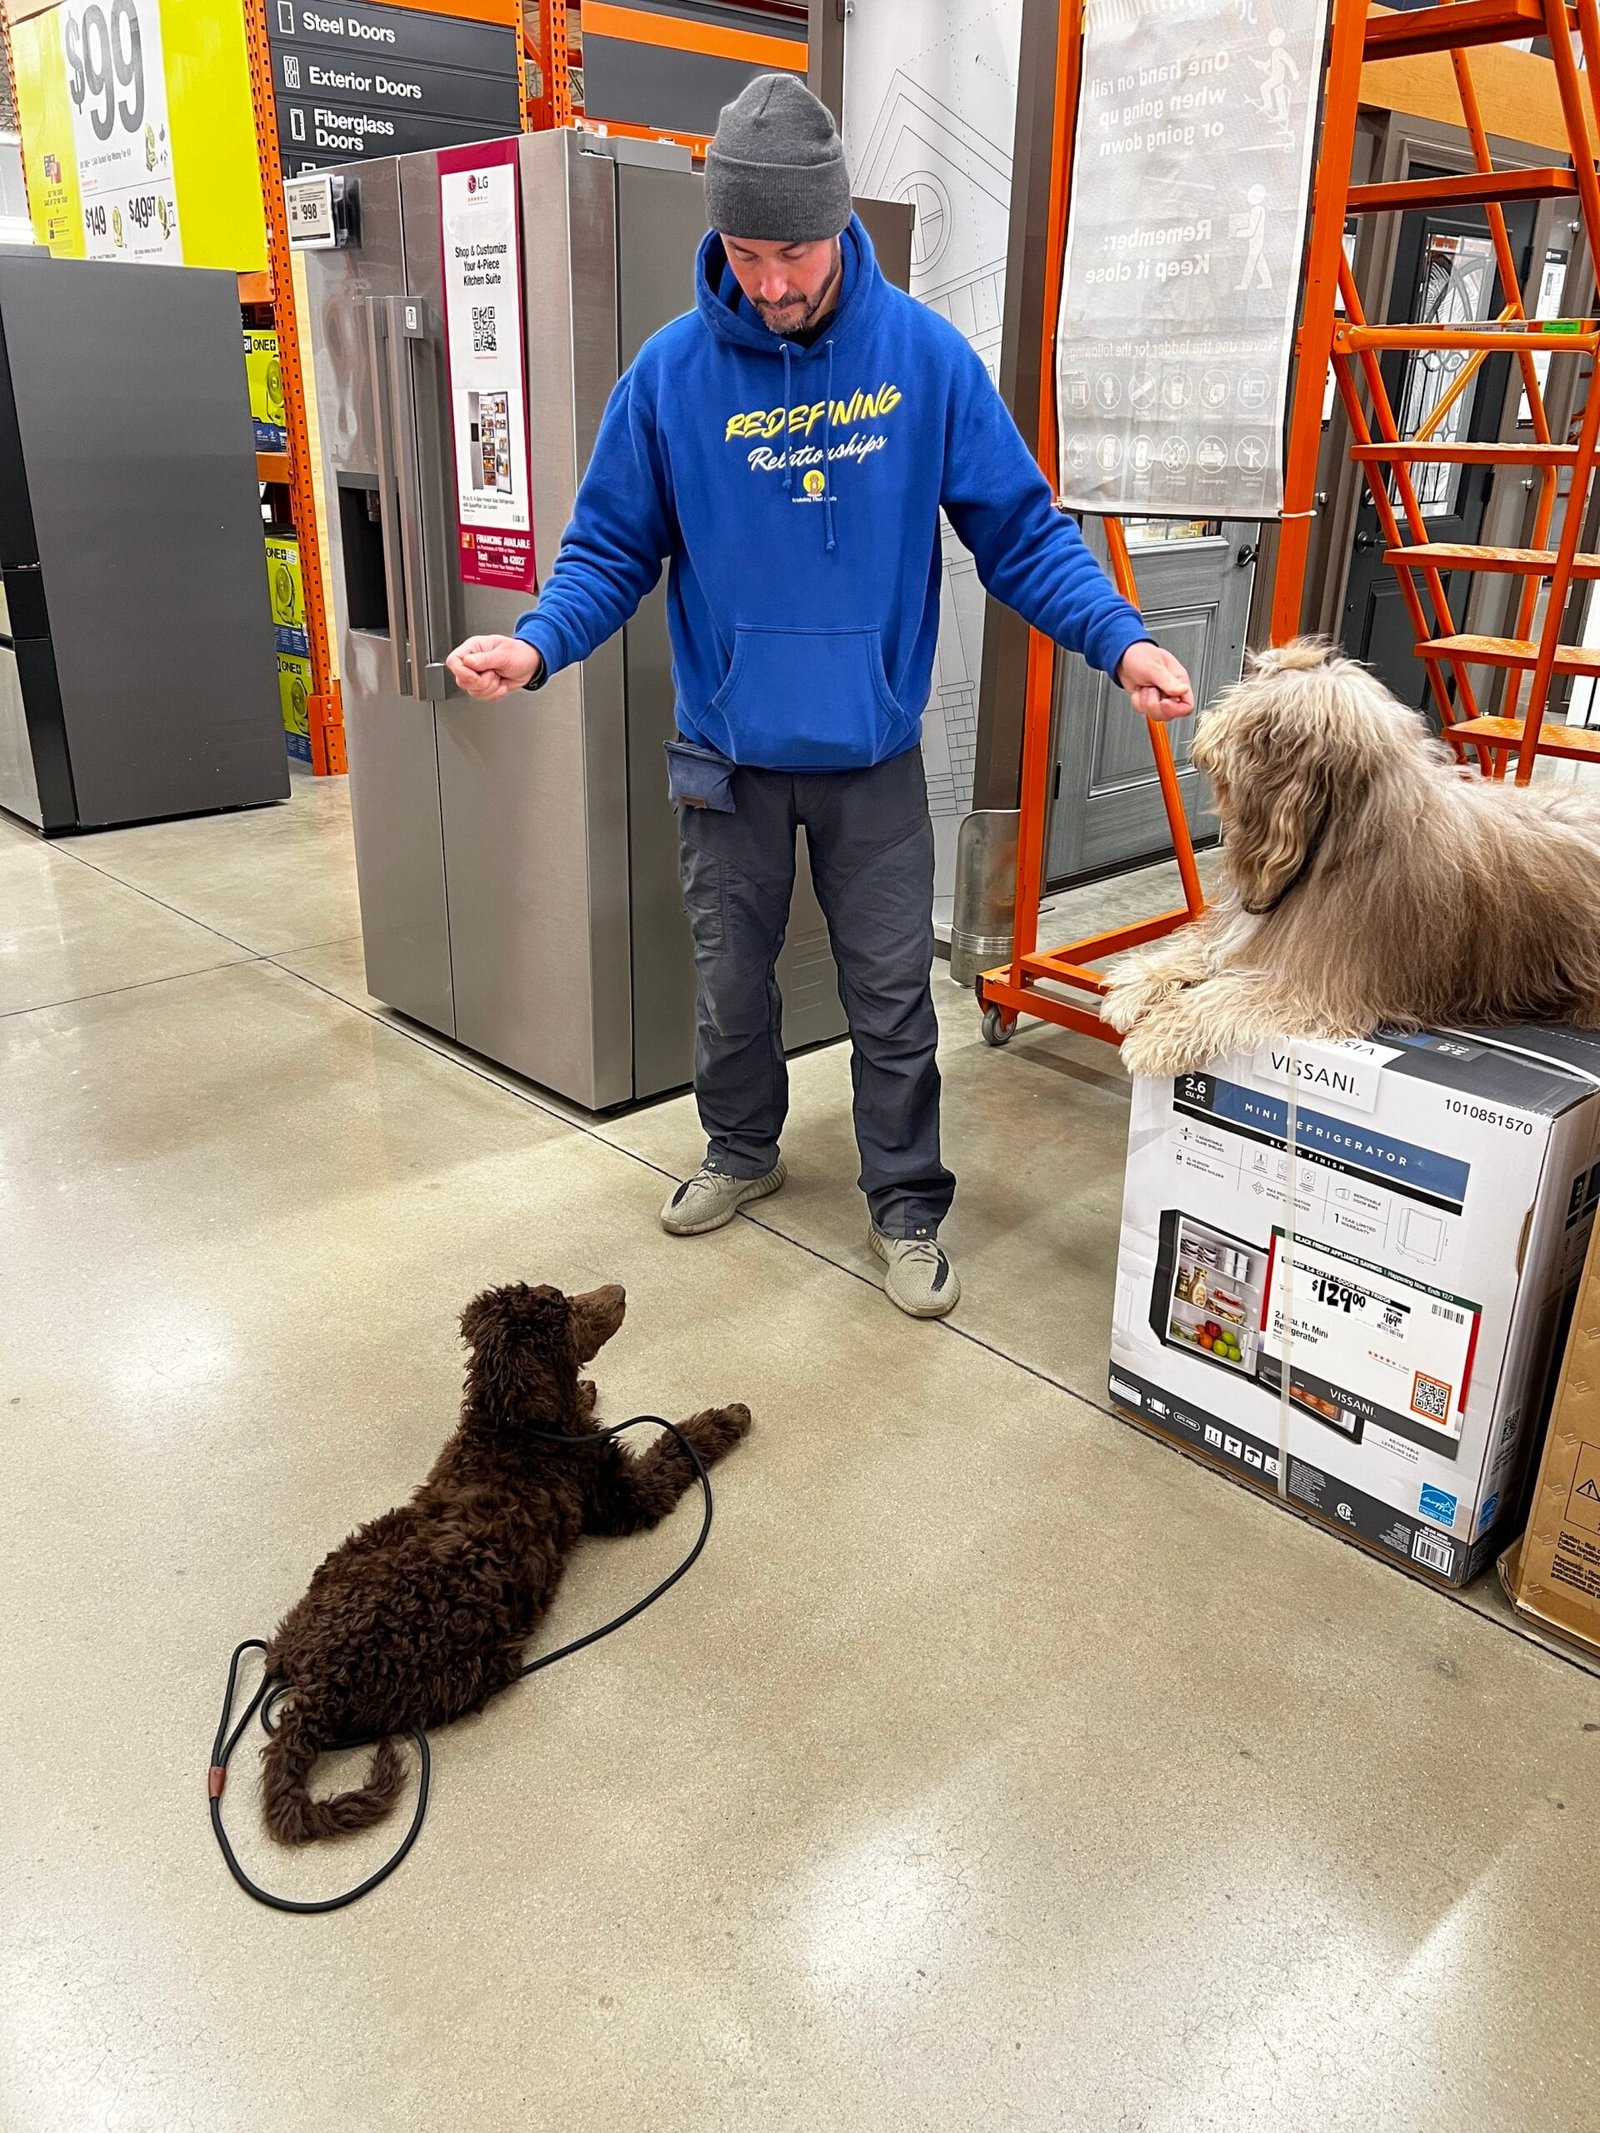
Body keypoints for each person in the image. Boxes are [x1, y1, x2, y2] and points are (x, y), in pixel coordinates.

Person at [448, 74, 1194, 1321]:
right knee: (729, 984)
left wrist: (1117, 638)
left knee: (891, 999)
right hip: (726, 756)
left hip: (871, 758)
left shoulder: (922, 361)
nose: (772, 283)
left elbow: (1020, 531)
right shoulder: (672, 374)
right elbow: (606, 550)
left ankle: (906, 1204)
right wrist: (536, 646)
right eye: (745, 253)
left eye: (791, 251)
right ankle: (740, 1149)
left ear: (835, 226)